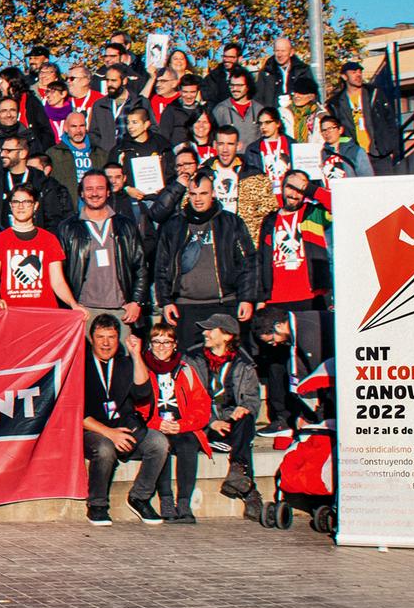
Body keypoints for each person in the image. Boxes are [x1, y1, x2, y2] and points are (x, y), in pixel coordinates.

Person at [250, 169, 330, 437]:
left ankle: (323, 412)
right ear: (281, 188)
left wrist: (311, 191)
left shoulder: (314, 213)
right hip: (277, 300)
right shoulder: (270, 220)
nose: (294, 193)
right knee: (275, 362)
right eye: (290, 187)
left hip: (310, 296)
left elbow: (339, 206)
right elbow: (262, 260)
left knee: (316, 358)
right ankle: (281, 416)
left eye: (300, 189)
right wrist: (262, 297)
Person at [80, 315, 171, 526]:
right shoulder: (81, 366)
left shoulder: (125, 363)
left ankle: (140, 497)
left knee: (158, 442)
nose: (105, 343)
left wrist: (136, 355)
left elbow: (142, 392)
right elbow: (76, 413)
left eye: (111, 337)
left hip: (126, 427)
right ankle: (97, 504)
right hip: (92, 429)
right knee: (104, 448)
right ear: (91, 339)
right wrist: (110, 433)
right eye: (100, 337)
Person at [154, 172, 255, 350]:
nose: (198, 199)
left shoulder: (231, 223)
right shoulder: (174, 226)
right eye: (193, 194)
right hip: (185, 308)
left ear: (213, 194)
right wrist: (166, 301)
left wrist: (246, 298)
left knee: (225, 361)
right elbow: (161, 266)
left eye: (203, 193)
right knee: (188, 364)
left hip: (223, 305)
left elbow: (248, 263)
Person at [135, 322, 213, 524]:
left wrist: (183, 424)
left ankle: (184, 502)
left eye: (167, 342)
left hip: (181, 424)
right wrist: (155, 422)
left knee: (188, 443)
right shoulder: (142, 367)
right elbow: (137, 406)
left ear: (175, 345)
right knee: (161, 445)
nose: (161, 347)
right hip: (154, 425)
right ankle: (166, 499)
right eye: (156, 342)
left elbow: (202, 405)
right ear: (149, 345)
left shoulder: (186, 369)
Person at [57, 171, 147, 341]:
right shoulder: (67, 228)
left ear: (108, 192)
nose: (95, 193)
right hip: (84, 310)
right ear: (81, 193)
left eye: (100, 188)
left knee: (122, 363)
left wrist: (136, 301)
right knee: (88, 365)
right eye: (89, 189)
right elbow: (60, 272)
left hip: (121, 309)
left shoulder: (125, 225)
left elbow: (140, 266)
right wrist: (71, 306)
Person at [191, 312, 263, 516]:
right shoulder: (194, 359)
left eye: (211, 329)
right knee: (242, 444)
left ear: (227, 336)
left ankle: (238, 471)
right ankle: (249, 490)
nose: (205, 333)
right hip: (204, 423)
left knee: (245, 418)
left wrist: (245, 407)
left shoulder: (244, 363)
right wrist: (212, 422)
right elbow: (190, 398)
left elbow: (252, 397)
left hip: (231, 422)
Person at [0, 186, 77, 310]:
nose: (20, 206)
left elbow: (58, 282)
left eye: (26, 202)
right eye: (16, 202)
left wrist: (73, 304)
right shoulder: (0, 240)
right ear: (11, 206)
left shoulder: (49, 240)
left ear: (35, 206)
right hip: (11, 314)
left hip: (44, 314)